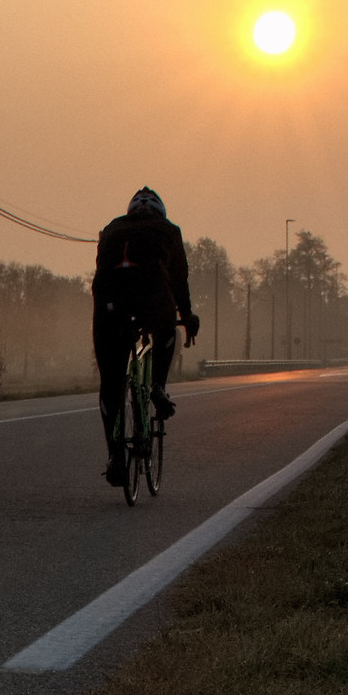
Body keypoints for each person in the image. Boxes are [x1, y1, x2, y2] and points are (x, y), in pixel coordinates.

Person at [91, 188, 199, 486]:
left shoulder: (112, 229)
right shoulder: (168, 230)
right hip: (152, 299)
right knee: (167, 330)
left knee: (110, 384)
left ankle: (115, 456)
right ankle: (158, 387)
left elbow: (102, 272)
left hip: (109, 305)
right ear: (159, 212)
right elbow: (179, 279)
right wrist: (187, 316)